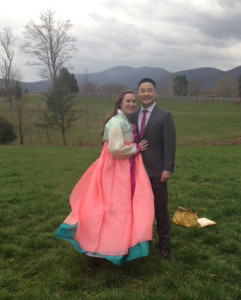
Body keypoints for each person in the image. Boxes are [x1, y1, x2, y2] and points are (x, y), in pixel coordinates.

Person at [55, 90, 154, 266]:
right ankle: (106, 246)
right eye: (128, 101)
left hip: (121, 168)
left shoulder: (122, 120)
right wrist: (136, 148)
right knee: (114, 208)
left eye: (133, 101)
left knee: (115, 208)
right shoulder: (117, 121)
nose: (131, 104)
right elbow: (115, 150)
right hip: (117, 170)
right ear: (120, 103)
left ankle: (115, 243)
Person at [129, 78, 176, 259]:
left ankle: (164, 245)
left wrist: (167, 169)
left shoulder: (164, 115)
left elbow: (169, 144)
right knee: (141, 210)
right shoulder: (131, 115)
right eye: (142, 90)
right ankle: (144, 242)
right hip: (136, 172)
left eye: (149, 90)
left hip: (157, 172)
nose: (146, 94)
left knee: (160, 209)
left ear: (155, 93)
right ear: (138, 93)